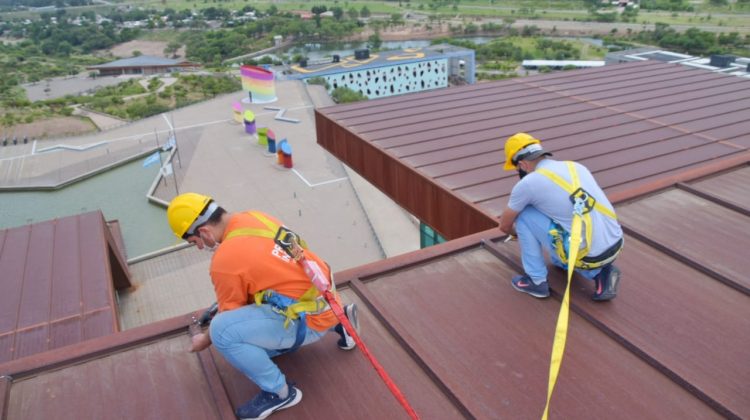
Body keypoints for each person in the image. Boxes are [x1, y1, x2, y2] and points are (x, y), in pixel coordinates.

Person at [167, 193, 359, 420]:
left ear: (204, 231)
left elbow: (229, 315)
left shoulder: (224, 260)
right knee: (255, 332)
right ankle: (342, 319)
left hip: (308, 321)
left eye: (194, 242)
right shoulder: (256, 217)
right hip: (328, 299)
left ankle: (279, 392)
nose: (199, 247)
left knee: (223, 333)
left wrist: (203, 340)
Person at [498, 133, 624, 301]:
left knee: (524, 215)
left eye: (516, 169)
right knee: (559, 217)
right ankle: (602, 272)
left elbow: (505, 225)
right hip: (615, 242)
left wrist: (516, 234)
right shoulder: (575, 167)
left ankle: (536, 281)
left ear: (522, 164)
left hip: (589, 255)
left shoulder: (528, 184)